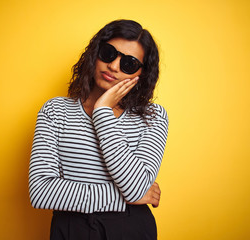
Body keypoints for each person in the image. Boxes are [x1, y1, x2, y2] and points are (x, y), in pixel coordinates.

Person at [29, 19, 169, 240]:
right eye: (108, 53)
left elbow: (136, 188)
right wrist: (126, 197)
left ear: (141, 75)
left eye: (129, 64)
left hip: (131, 229)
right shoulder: (55, 111)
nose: (113, 66)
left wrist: (102, 111)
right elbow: (41, 192)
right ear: (95, 53)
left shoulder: (154, 117)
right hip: (71, 229)